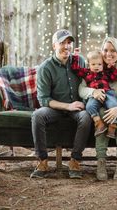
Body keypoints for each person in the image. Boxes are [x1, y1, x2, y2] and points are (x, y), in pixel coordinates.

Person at [30, 29, 92, 179]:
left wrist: (84, 102)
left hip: (77, 108)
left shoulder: (80, 61)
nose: (66, 46)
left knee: (86, 117)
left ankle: (75, 161)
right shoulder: (46, 67)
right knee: (37, 115)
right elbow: (44, 99)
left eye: (69, 42)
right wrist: (67, 106)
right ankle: (42, 161)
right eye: (62, 43)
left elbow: (90, 81)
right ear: (54, 46)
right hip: (55, 108)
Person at [79, 37, 117, 181]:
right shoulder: (96, 66)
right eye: (105, 50)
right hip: (105, 105)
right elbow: (81, 89)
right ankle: (101, 162)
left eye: (113, 50)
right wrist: (94, 92)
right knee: (101, 114)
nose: (108, 54)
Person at [71, 50, 117, 138]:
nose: (96, 67)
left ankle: (113, 125)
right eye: (93, 64)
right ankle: (99, 123)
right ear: (88, 64)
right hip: (94, 95)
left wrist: (112, 67)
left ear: (103, 64)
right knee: (89, 106)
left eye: (99, 64)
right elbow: (75, 69)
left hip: (107, 93)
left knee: (112, 105)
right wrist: (75, 56)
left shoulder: (105, 72)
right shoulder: (87, 73)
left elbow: (114, 77)